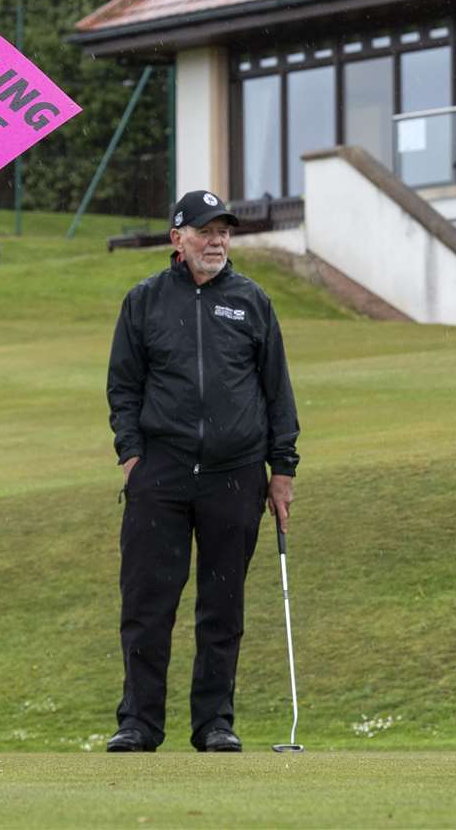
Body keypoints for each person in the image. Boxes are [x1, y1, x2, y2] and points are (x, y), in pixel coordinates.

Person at [104, 190, 300, 753]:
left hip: (235, 473)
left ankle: (214, 722)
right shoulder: (144, 301)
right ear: (177, 238)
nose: (217, 242)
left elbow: (276, 393)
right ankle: (139, 722)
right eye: (206, 231)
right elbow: (123, 386)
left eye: (224, 232)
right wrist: (132, 454)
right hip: (159, 474)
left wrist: (282, 469)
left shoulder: (252, 301)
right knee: (146, 605)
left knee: (222, 607)